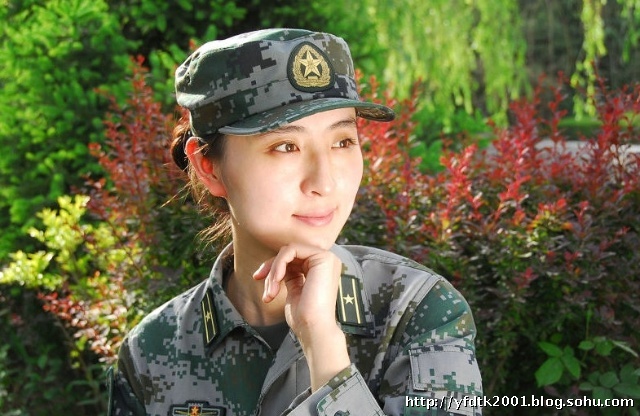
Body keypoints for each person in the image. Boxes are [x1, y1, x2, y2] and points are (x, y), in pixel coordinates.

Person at [107, 28, 483, 416]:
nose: (325, 182)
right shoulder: (150, 352)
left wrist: (324, 346)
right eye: (286, 146)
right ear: (208, 167)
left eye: (343, 141)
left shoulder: (418, 312)